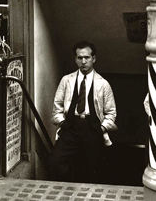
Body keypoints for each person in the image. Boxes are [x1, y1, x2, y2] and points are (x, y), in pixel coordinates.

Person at [48, 41, 117, 183]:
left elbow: (111, 113)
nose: (83, 61)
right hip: (71, 127)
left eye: (87, 57)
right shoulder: (66, 80)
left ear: (94, 59)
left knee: (91, 168)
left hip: (92, 128)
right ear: (75, 59)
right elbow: (57, 107)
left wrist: (101, 128)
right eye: (79, 58)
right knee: (56, 161)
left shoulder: (103, 84)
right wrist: (63, 122)